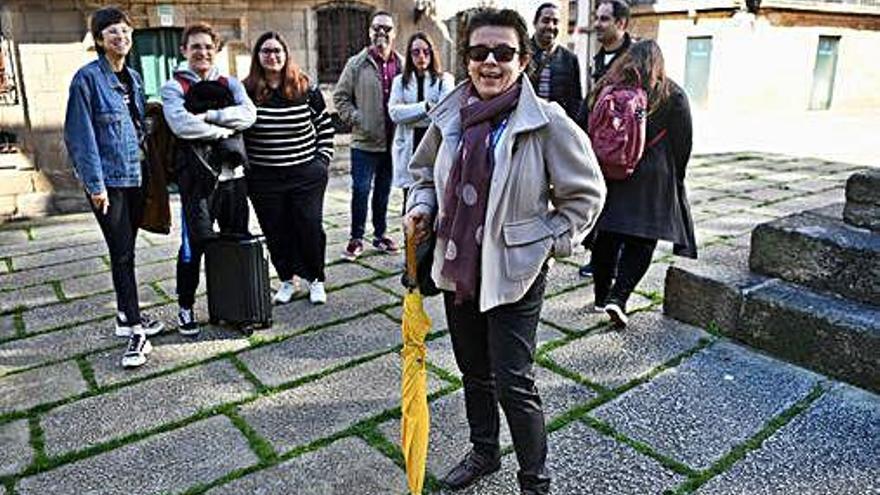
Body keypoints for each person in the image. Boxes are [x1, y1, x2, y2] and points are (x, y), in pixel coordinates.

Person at [404, 8, 606, 494]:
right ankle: (484, 452)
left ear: (523, 60)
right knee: (474, 372)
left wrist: (548, 241)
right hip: (458, 265)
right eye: (478, 52)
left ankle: (535, 480)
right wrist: (423, 208)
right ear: (466, 58)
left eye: (503, 52)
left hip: (515, 270)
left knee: (514, 381)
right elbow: (422, 174)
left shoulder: (547, 121)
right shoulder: (450, 112)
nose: (489, 62)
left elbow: (586, 195)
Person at [64, 7, 165, 368]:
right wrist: (95, 186)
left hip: (136, 176)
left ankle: (126, 314)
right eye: (112, 33)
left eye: (125, 31)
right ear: (100, 41)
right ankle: (135, 329)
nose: (120, 37)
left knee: (127, 251)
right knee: (121, 253)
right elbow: (80, 137)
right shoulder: (86, 80)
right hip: (109, 182)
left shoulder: (134, 79)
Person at [589, 39, 696, 327]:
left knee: (606, 237)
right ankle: (618, 298)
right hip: (653, 177)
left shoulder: (606, 86)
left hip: (612, 172)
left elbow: (585, 122)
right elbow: (683, 142)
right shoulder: (672, 93)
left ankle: (601, 296)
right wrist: (678, 176)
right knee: (642, 242)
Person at [161, 22, 257, 337]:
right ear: (184, 51)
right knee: (195, 245)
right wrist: (222, 131)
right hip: (198, 181)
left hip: (233, 179)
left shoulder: (230, 83)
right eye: (195, 47)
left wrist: (211, 116)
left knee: (235, 241)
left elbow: (249, 114)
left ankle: (237, 307)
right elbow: (180, 124)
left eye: (207, 46)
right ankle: (186, 305)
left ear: (215, 49)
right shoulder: (173, 87)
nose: (202, 52)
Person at [243, 32, 334, 305]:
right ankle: (287, 279)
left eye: (277, 51)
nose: (272, 56)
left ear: (286, 55)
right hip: (264, 178)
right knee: (275, 229)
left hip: (306, 174)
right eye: (266, 51)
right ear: (258, 57)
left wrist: (322, 161)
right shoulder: (246, 91)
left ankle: (316, 279)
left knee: (309, 226)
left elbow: (325, 127)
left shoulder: (305, 88)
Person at [333, 11, 403, 261]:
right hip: (364, 143)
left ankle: (381, 235)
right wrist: (358, 119)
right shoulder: (357, 63)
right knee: (361, 190)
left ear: (394, 33)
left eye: (386, 28)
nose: (381, 33)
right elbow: (340, 98)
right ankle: (356, 238)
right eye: (376, 28)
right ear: (369, 31)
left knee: (383, 192)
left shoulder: (402, 64)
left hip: (392, 143)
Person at [577, 0, 634, 278]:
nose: (597, 24)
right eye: (596, 18)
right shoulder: (598, 57)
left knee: (618, 206)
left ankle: (613, 260)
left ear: (621, 24)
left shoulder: (635, 57)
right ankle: (597, 257)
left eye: (604, 19)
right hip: (597, 142)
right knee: (596, 198)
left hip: (622, 146)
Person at [388, 32, 454, 212]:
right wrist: (425, 107)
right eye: (415, 52)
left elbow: (445, 111)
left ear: (432, 53)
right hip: (409, 147)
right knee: (410, 204)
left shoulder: (444, 80)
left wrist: (409, 114)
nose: (421, 56)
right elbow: (394, 113)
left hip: (434, 147)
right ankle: (410, 240)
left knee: (438, 201)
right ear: (409, 56)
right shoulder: (399, 82)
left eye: (426, 51)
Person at [527, 2, 581, 119]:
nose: (551, 26)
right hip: (526, 122)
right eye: (545, 21)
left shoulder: (570, 59)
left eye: (555, 22)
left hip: (557, 125)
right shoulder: (522, 55)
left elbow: (575, 101)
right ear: (535, 23)